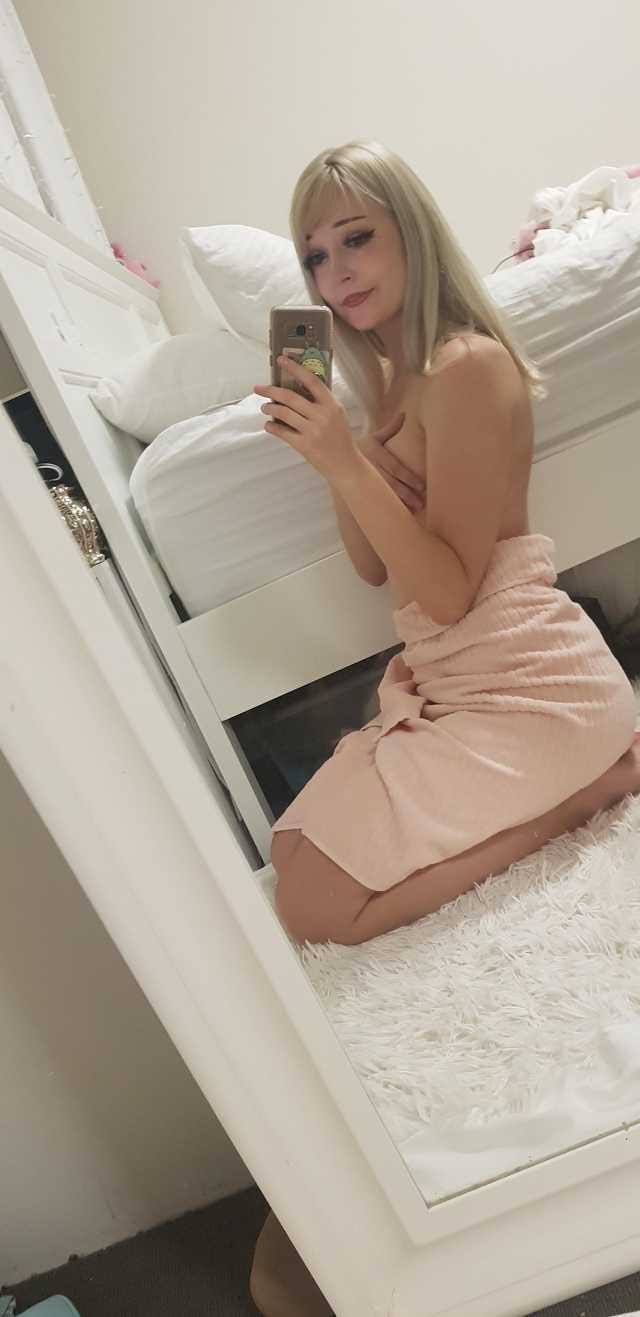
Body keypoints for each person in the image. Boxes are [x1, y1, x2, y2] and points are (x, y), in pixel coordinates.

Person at [253, 139, 640, 956]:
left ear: (411, 231)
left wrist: (347, 461)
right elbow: (372, 567)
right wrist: (337, 453)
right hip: (457, 678)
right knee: (289, 849)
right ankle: (580, 776)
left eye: (357, 238)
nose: (336, 274)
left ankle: (588, 791)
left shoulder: (468, 366)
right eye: (316, 257)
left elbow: (452, 593)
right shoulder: (395, 386)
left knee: (311, 909)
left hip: (531, 684)